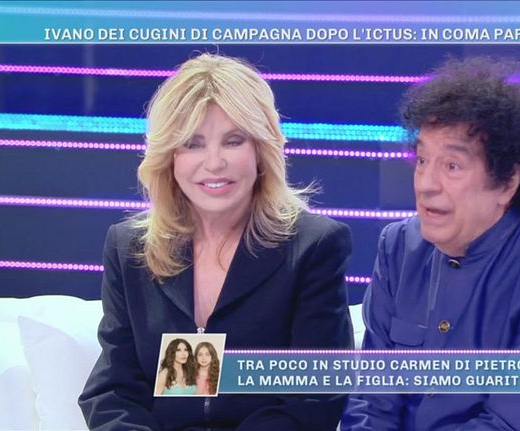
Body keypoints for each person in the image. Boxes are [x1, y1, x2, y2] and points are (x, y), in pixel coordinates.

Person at [341, 57, 520, 430]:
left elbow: (510, 424)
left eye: (451, 166)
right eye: (422, 160)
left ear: (508, 182)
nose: (425, 184)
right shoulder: (399, 247)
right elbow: (373, 402)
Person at [79, 53, 354, 430]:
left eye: (233, 141)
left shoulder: (313, 247)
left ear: (261, 151)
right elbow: (114, 390)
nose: (214, 163)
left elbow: (313, 399)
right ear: (169, 157)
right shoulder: (130, 249)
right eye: (192, 143)